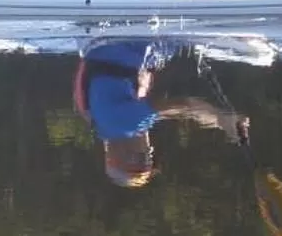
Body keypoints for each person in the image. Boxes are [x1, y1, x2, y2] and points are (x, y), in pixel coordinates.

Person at [74, 37, 247, 187]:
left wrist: (221, 119)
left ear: (126, 155)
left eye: (146, 156)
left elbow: (183, 105)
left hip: (132, 42)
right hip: (105, 44)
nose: (151, 148)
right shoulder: (98, 123)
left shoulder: (125, 126)